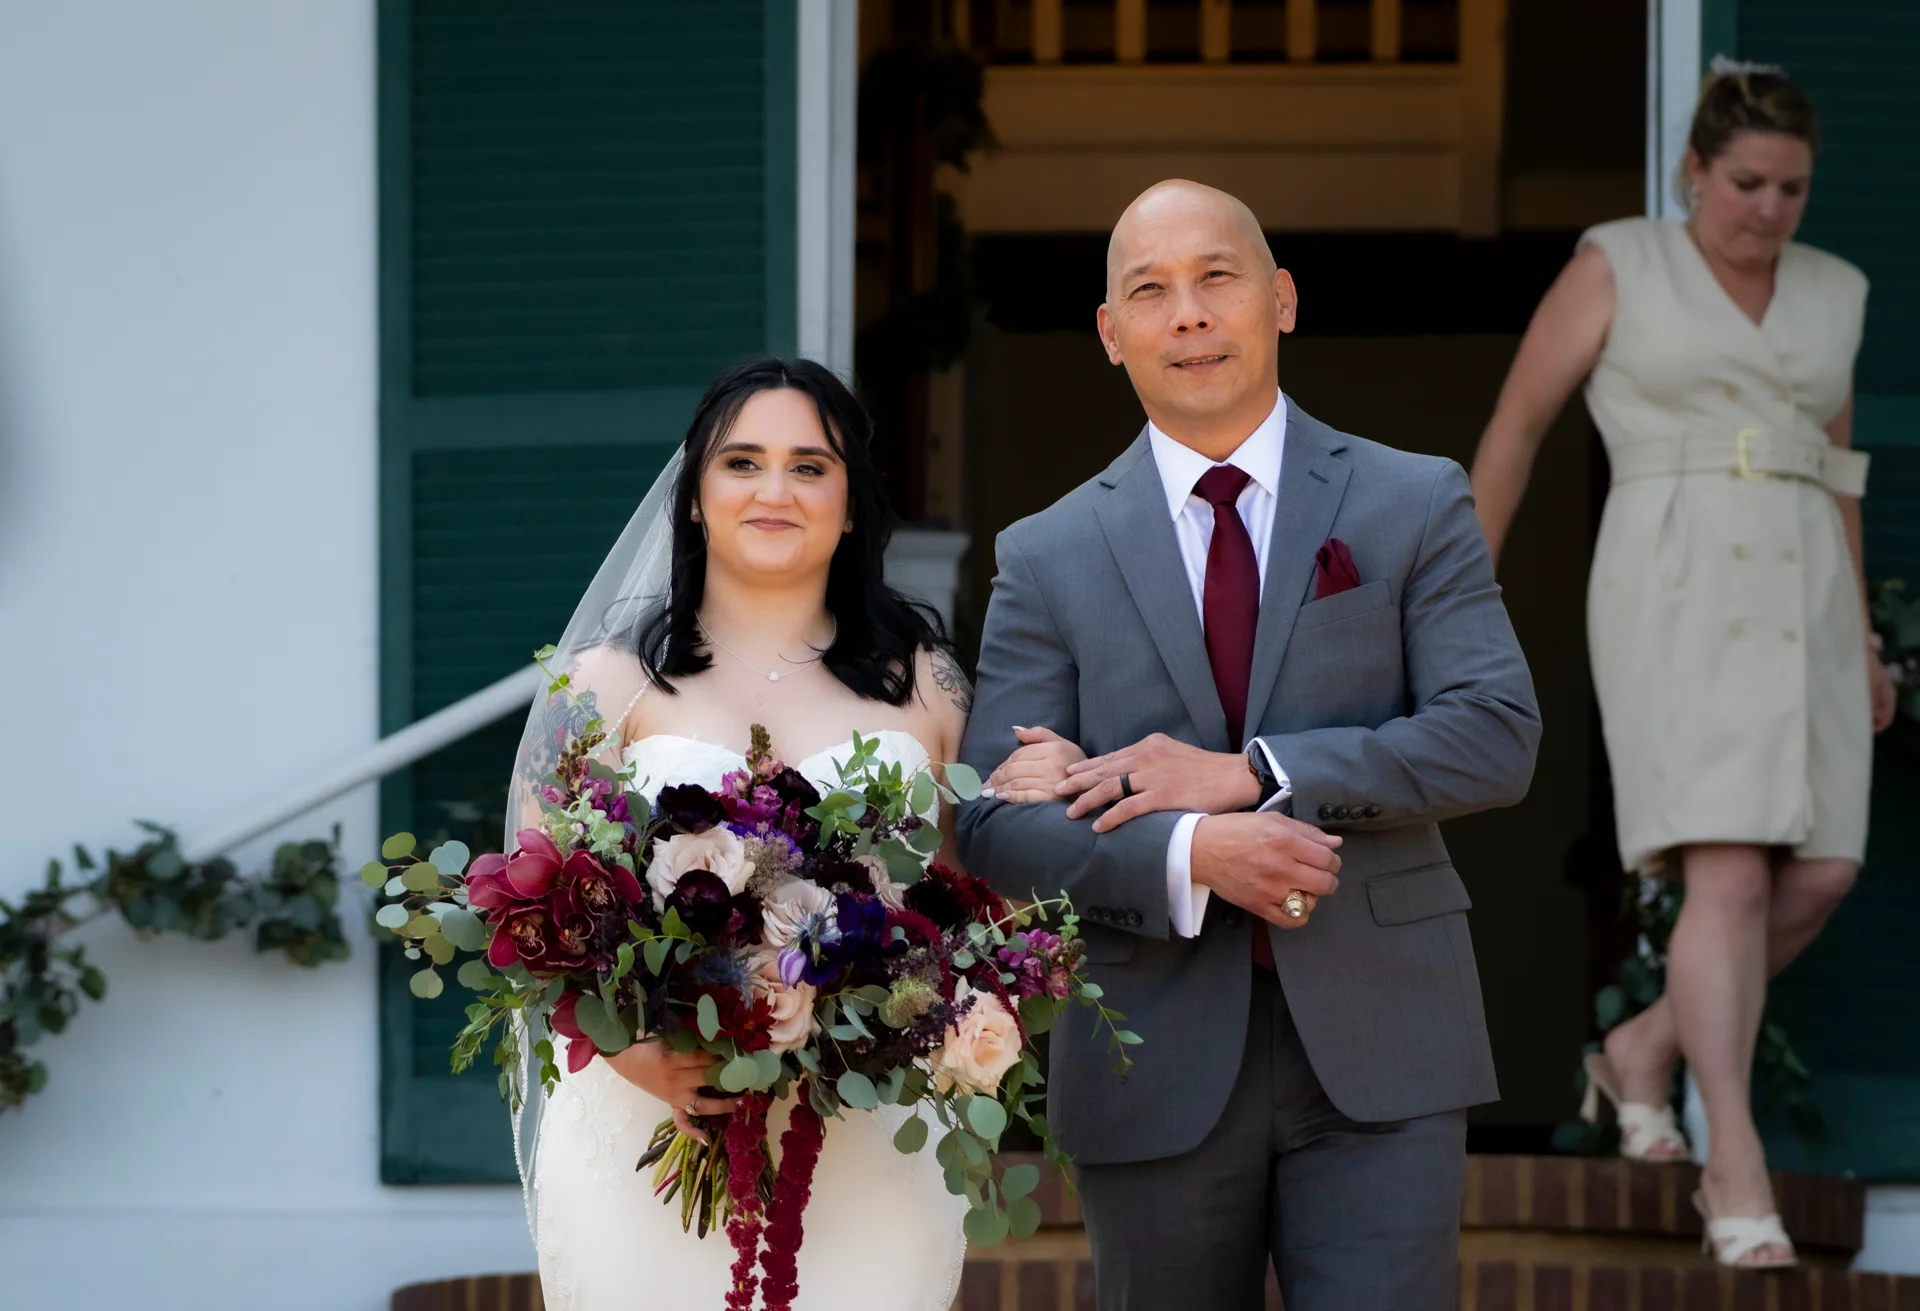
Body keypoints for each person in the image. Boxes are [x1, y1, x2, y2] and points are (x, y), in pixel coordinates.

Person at [955, 180, 1540, 1311]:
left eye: (1216, 279)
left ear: (1280, 300)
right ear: (1110, 336)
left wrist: (1260, 773)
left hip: (1387, 1038)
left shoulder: (1413, 500)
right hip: (1149, 1048)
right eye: (1150, 292)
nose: (1188, 314)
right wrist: (1189, 856)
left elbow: (1496, 734)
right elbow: (991, 821)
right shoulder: (1046, 552)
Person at [508, 357, 1073, 1310]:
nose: (776, 490)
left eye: (811, 466)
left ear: (851, 504)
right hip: (650, 1129)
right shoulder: (607, 686)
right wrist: (644, 1056)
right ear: (694, 495)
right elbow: (531, 916)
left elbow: (988, 907)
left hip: (870, 1133)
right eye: (743, 462)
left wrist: (1040, 800)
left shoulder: (927, 687)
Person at [1467, 61, 1897, 1269]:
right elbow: (1516, 427)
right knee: (1732, 876)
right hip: (1676, 582)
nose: (1768, 210)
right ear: (1694, 171)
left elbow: (1843, 471)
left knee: (1823, 874)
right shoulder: (1620, 261)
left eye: (1792, 190)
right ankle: (1733, 1164)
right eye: (1747, 183)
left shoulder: (1834, 293)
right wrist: (1462, 598)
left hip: (1805, 586)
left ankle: (1643, 1049)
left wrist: (1859, 635)